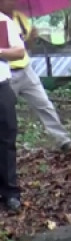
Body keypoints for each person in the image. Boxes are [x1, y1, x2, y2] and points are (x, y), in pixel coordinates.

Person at [0, 0, 71, 152]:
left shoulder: (21, 19)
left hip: (25, 70)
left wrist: (31, 38)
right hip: (6, 75)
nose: (10, 2)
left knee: (44, 104)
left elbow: (25, 48)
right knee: (5, 113)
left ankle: (63, 140)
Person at [0, 12, 26, 213]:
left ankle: (10, 192)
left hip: (1, 86)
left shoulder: (3, 21)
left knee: (7, 139)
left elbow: (19, 52)